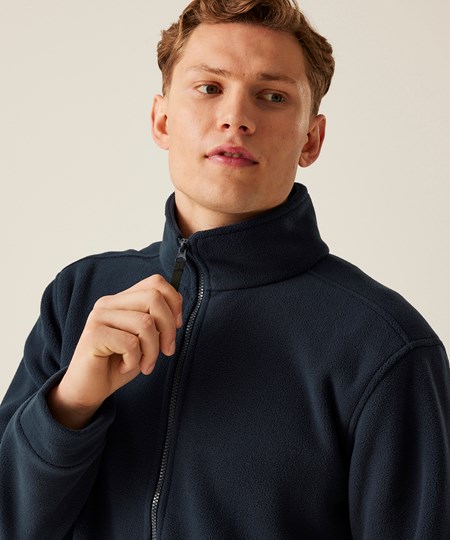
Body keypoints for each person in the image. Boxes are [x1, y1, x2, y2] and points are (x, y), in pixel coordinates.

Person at [0, 0, 448, 538]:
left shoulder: (384, 345)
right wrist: (70, 405)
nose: (236, 117)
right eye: (209, 87)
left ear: (311, 139)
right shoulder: (79, 297)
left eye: (272, 96)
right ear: (162, 120)